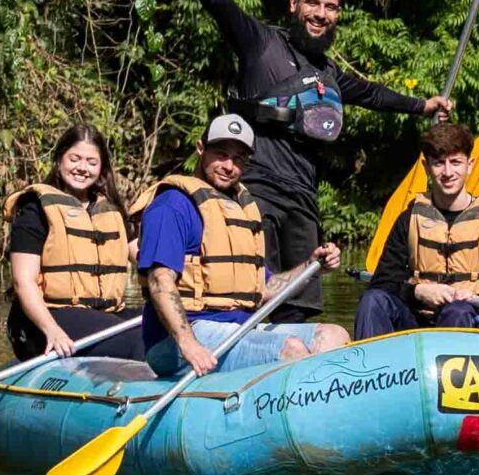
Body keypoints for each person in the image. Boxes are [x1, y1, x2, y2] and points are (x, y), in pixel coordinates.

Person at [149, 0, 443, 310]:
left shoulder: (329, 73)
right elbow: (218, 3)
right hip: (258, 191)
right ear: (294, 4)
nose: (321, 14)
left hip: (303, 196)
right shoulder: (261, 44)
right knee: (257, 297)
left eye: (331, 8)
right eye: (313, 4)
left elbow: (373, 95)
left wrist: (423, 105)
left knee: (300, 302)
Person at [135, 113, 350, 378]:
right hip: (177, 340)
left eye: (238, 159)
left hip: (238, 330)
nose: (229, 166)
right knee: (291, 349)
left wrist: (312, 266)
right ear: (201, 149)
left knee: (334, 336)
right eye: (221, 154)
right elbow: (159, 281)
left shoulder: (240, 211)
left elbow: (265, 289)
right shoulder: (172, 205)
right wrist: (188, 343)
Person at [353, 120, 479, 339]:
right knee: (373, 300)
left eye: (456, 162)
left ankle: (448, 370)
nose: (448, 172)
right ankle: (368, 368)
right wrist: (418, 291)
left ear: (470, 165)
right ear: (426, 167)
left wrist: (477, 295)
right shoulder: (409, 218)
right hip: (416, 318)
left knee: (456, 311)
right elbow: (383, 280)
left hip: (470, 317)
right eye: (439, 163)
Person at [6, 124, 134, 360]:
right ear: (59, 159)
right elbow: (22, 281)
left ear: (102, 168)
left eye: (92, 162)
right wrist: (53, 331)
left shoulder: (110, 211)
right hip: (45, 319)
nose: (82, 168)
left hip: (104, 314)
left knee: (163, 329)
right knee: (137, 341)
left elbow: (146, 257)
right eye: (75, 159)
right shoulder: (35, 208)